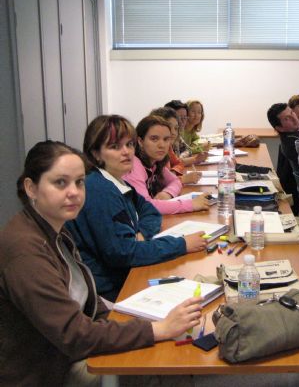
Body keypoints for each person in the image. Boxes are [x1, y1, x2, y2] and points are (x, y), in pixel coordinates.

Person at [0, 140, 204, 385]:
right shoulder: (26, 251)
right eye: (60, 183)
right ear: (31, 188)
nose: (74, 192)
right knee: (151, 362)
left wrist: (139, 323)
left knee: (161, 349)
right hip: (48, 370)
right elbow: (74, 335)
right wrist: (157, 329)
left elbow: (86, 299)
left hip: (65, 349)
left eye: (79, 182)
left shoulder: (54, 228)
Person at [66, 115, 207, 301]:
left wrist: (140, 234)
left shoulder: (117, 181)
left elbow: (151, 211)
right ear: (96, 154)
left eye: (129, 145)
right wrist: (181, 244)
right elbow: (123, 254)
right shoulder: (98, 189)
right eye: (115, 147)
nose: (126, 152)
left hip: (127, 273)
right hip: (110, 292)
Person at [123, 115, 209, 215]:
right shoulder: (134, 165)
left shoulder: (155, 162)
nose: (162, 145)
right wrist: (191, 205)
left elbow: (176, 180)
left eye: (166, 139)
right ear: (140, 142)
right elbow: (147, 206)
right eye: (154, 139)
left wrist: (167, 193)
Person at [267, 102, 299, 215]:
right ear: (280, 128)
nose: (294, 117)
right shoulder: (298, 143)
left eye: (292, 112)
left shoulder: (295, 135)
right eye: (287, 118)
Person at [150, 106, 202, 184]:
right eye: (169, 127)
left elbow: (178, 163)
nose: (174, 132)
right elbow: (160, 183)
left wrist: (173, 172)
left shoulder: (168, 147)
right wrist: (182, 179)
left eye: (176, 128)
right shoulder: (154, 151)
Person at [164, 100, 208, 165]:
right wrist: (195, 159)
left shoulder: (177, 136)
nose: (182, 121)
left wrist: (183, 157)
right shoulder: (165, 138)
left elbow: (187, 150)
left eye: (184, 117)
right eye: (179, 117)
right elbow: (174, 163)